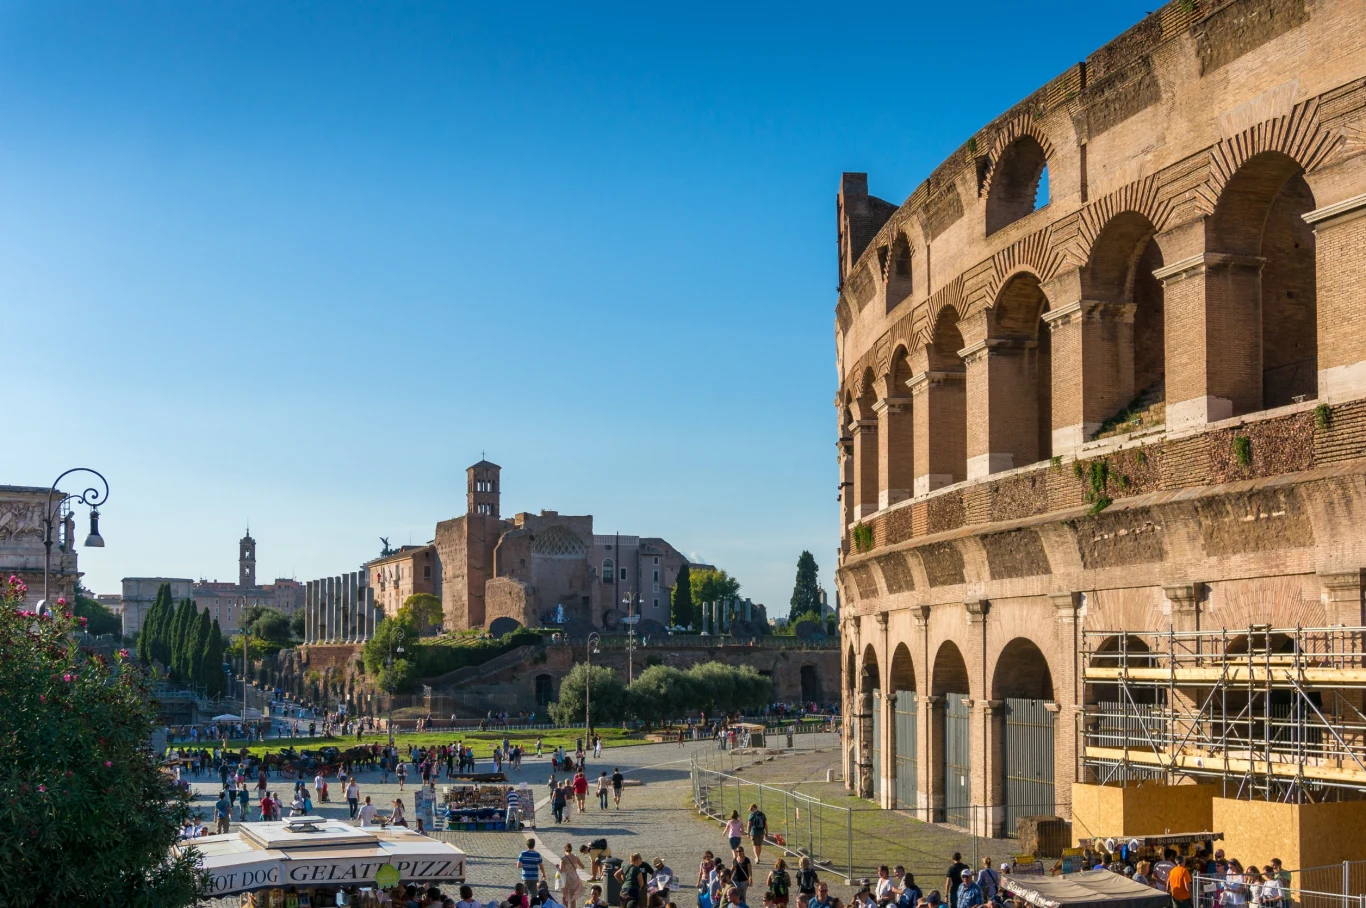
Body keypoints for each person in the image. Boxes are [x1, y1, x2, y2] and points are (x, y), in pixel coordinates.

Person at [560, 843, 586, 908]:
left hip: (566, 878)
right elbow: (583, 866)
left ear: (564, 850)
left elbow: (561, 870)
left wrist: (557, 867)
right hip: (574, 877)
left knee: (565, 896)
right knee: (572, 897)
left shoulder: (563, 859)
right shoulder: (575, 857)